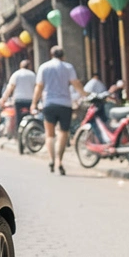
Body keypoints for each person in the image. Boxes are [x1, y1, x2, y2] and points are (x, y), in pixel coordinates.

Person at [30, 46, 86, 174]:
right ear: (63, 56)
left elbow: (39, 86)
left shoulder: (44, 67)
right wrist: (84, 94)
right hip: (65, 104)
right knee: (63, 133)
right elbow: (75, 83)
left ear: (51, 54)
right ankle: (59, 161)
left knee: (50, 134)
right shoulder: (68, 67)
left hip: (49, 104)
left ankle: (51, 159)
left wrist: (34, 103)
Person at [1, 59, 36, 139]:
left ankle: (18, 136)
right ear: (29, 66)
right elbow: (36, 88)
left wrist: (3, 99)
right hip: (30, 100)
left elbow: (10, 88)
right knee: (31, 117)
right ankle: (29, 133)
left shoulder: (16, 74)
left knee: (18, 118)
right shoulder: (32, 75)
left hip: (18, 100)